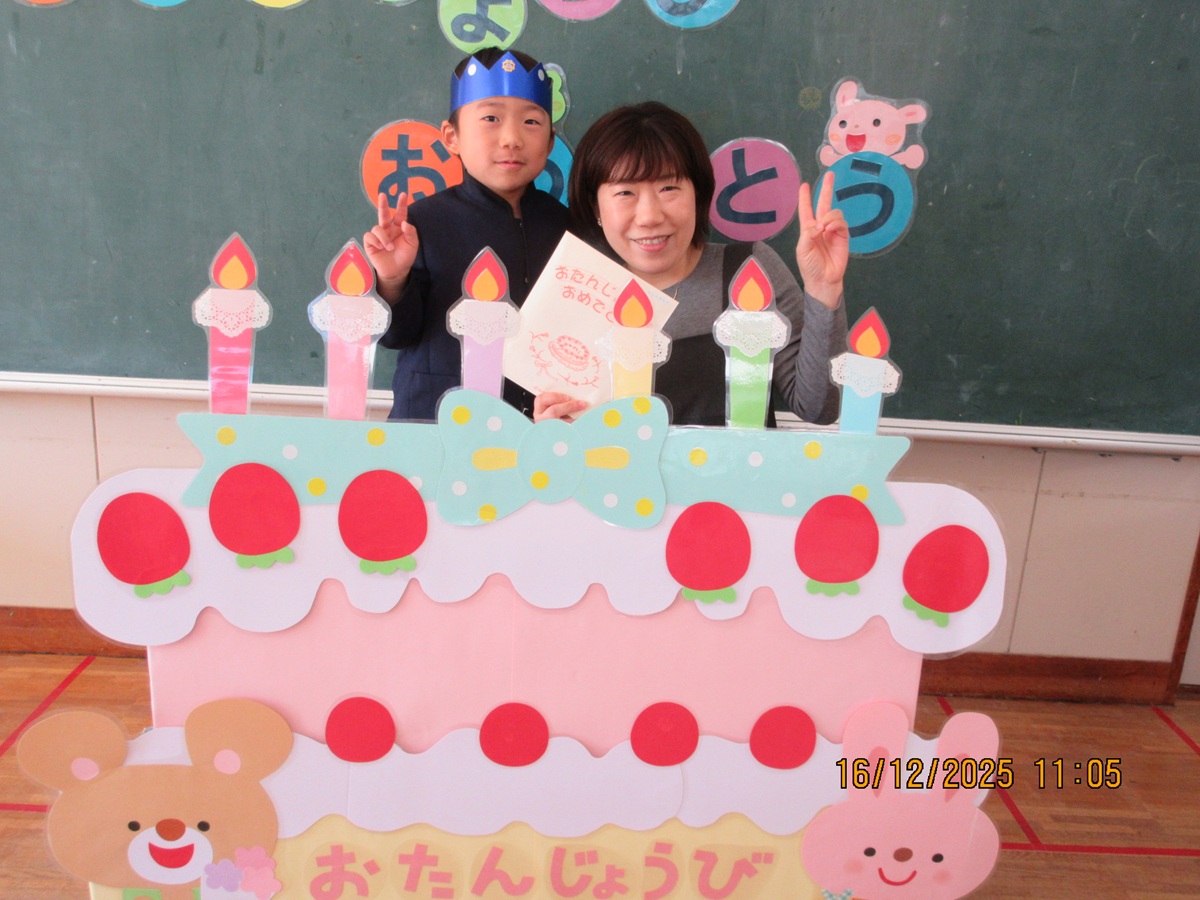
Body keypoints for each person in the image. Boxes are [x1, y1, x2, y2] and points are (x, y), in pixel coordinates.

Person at [536, 101, 848, 427]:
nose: (649, 216)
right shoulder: (574, 296)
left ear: (698, 194)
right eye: (625, 193)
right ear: (595, 207)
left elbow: (818, 408)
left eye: (668, 188)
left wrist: (823, 289)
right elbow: (577, 433)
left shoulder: (751, 271)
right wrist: (559, 429)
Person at [365, 48, 569, 420]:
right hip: (433, 425)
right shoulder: (418, 225)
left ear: (550, 142)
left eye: (531, 122)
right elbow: (395, 336)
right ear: (451, 136)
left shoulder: (568, 228)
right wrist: (392, 279)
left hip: (536, 430)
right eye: (491, 118)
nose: (511, 138)